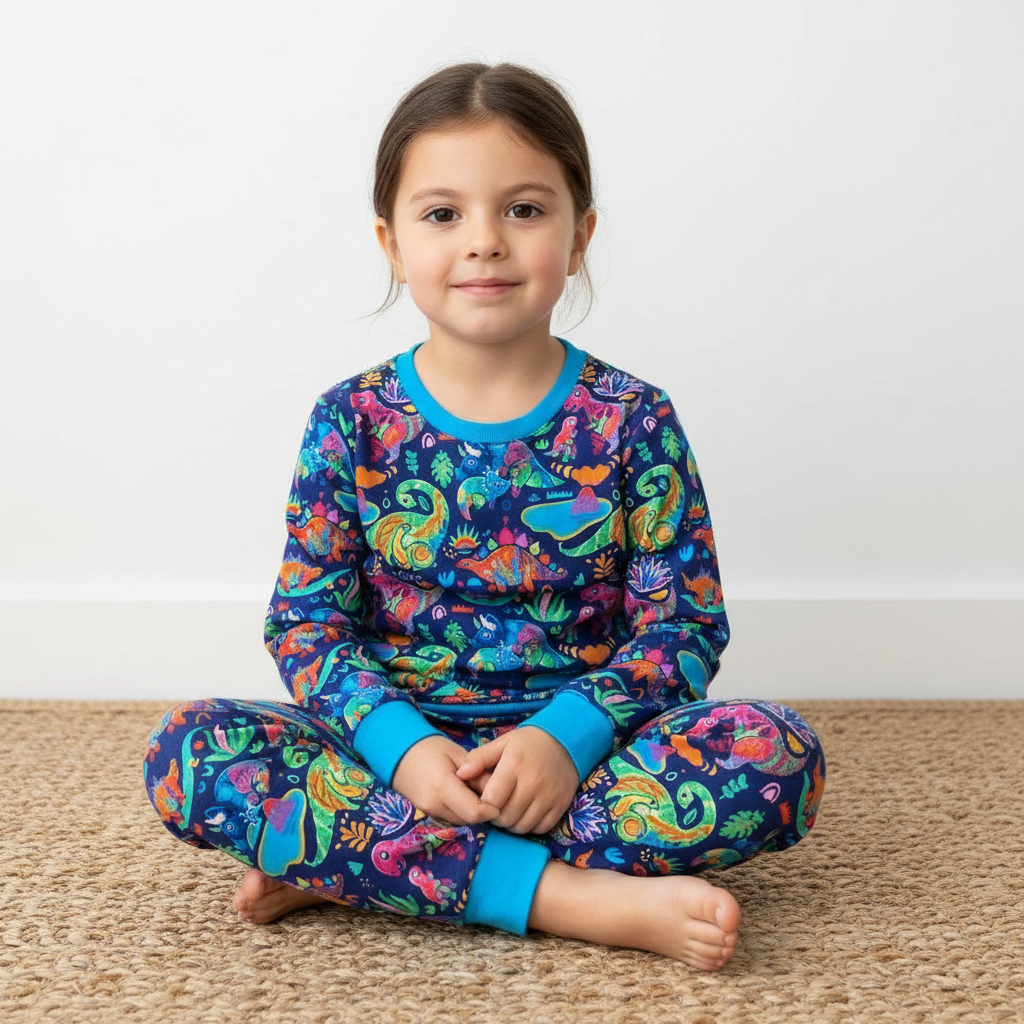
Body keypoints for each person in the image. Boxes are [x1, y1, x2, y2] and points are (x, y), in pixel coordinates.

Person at [144, 62, 825, 972]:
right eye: (442, 214)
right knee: (190, 752)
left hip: (586, 762)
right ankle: (569, 899)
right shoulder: (351, 420)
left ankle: (358, 865)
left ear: (581, 235)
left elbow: (684, 625)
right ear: (390, 242)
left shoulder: (633, 419)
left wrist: (564, 739)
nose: (484, 243)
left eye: (525, 210)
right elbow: (307, 624)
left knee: (778, 755)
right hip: (395, 756)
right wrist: (404, 750)